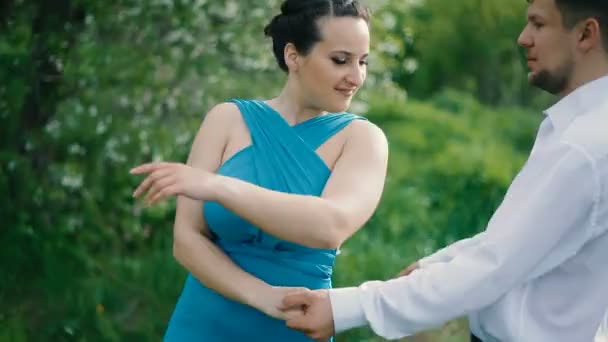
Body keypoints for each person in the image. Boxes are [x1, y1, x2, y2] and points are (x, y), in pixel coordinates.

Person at [281, 0, 608, 341]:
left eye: (539, 24)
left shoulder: (585, 148)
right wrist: (434, 266)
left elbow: (494, 265)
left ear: (586, 34)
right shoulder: (581, 131)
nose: (524, 38)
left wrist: (348, 307)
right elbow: (521, 241)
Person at [130, 0, 388, 341]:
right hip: (202, 323)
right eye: (340, 60)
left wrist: (219, 187)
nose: (356, 77)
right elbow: (187, 240)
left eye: (363, 62)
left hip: (294, 326)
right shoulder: (226, 119)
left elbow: (331, 225)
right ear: (293, 56)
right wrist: (264, 296)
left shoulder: (362, 139)